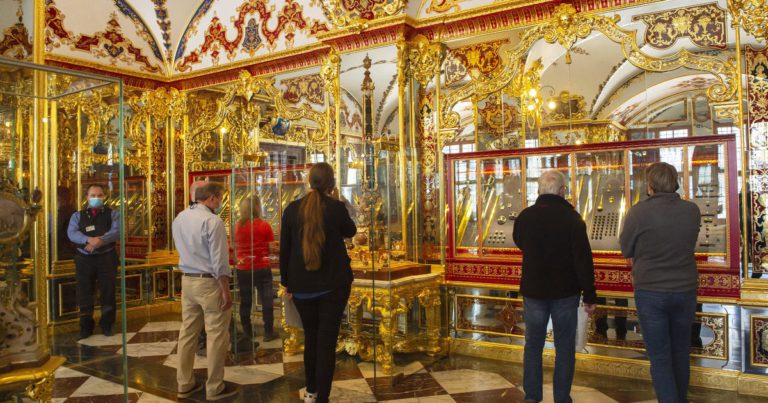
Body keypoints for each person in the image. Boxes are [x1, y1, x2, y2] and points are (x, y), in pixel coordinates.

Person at [512, 169, 597, 403]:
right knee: (565, 347)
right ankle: (561, 397)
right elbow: (583, 259)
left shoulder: (526, 216)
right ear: (562, 191)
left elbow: (520, 242)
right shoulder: (572, 219)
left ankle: (532, 396)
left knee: (533, 345)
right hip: (565, 292)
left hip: (534, 291)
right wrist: (589, 295)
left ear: (540, 190)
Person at [620, 162, 700, 403]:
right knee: (680, 351)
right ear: (675, 182)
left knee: (659, 356)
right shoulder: (691, 210)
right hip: (685, 288)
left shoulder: (638, 212)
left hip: (651, 289)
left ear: (650, 185)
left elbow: (626, 248)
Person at [280, 162, 356, 403]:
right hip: (333, 285)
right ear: (332, 184)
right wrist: (337, 200)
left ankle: (311, 392)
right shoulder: (335, 208)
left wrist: (286, 283)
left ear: (308, 181)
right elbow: (351, 231)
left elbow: (285, 250)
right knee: (326, 343)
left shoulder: (292, 209)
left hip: (302, 287)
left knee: (311, 340)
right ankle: (322, 396)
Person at [172, 182, 238, 401]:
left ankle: (184, 383)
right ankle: (215, 387)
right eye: (219, 198)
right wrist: (226, 291)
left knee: (188, 334)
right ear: (211, 198)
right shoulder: (212, 221)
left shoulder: (180, 217)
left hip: (187, 281)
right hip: (209, 283)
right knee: (217, 335)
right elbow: (219, 262)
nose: (220, 202)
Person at [67, 183, 120, 339]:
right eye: (93, 195)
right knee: (84, 293)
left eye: (99, 195)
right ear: (87, 198)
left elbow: (117, 231)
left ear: (104, 197)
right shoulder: (78, 215)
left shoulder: (113, 214)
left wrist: (100, 241)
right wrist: (88, 240)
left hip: (107, 257)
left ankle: (107, 325)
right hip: (84, 259)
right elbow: (72, 232)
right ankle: (85, 327)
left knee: (108, 292)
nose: (96, 198)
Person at [234, 195, 278, 344]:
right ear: (257, 208)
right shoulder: (264, 225)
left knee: (245, 300)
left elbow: (234, 246)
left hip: (243, 268)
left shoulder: (237, 225)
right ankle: (268, 331)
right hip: (261, 266)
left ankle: (247, 331)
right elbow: (271, 247)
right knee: (267, 299)